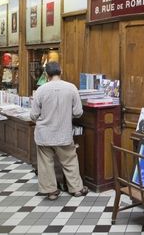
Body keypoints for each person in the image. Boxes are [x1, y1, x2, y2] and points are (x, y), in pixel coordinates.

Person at [30, 62, 88, 200]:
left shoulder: (41, 90)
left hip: (44, 134)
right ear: (60, 71)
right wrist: (67, 115)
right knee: (70, 160)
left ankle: (51, 192)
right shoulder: (71, 88)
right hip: (64, 133)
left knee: (45, 163)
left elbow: (33, 115)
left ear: (46, 74)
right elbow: (78, 112)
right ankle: (77, 189)